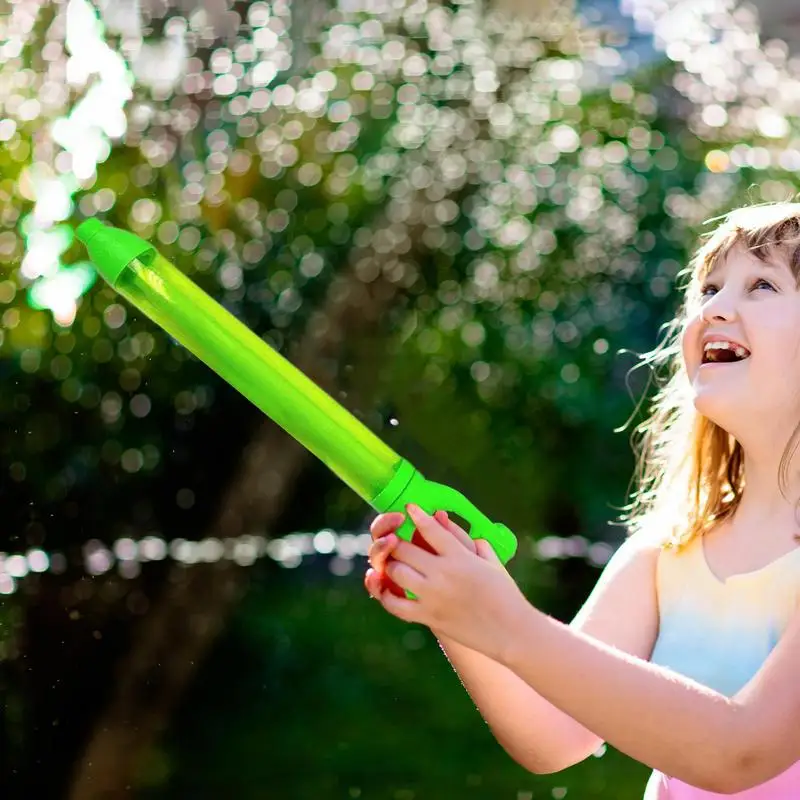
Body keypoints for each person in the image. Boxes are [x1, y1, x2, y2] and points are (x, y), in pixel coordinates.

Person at [364, 201, 800, 798]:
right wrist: (460, 606)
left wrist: (508, 621)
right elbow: (550, 735)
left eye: (762, 284)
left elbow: (739, 750)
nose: (716, 308)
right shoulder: (668, 551)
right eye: (710, 288)